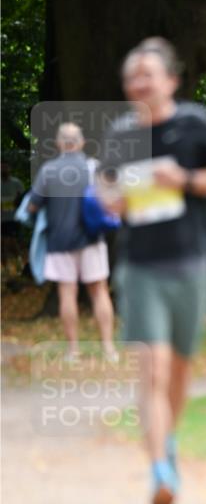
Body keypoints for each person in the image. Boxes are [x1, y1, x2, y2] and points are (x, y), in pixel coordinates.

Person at [100, 37, 206, 504]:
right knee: (153, 368)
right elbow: (105, 191)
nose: (138, 82)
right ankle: (160, 469)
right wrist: (113, 199)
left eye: (147, 74)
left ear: (171, 81)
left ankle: (169, 441)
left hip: (191, 263)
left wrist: (182, 180)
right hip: (140, 267)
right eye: (131, 76)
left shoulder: (194, 124)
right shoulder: (120, 134)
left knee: (180, 370)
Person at [27, 124, 116, 361]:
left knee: (67, 294)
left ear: (58, 144)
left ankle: (73, 351)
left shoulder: (48, 170)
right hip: (91, 239)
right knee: (99, 292)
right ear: (81, 142)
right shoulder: (94, 168)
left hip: (59, 241)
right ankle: (108, 349)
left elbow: (33, 206)